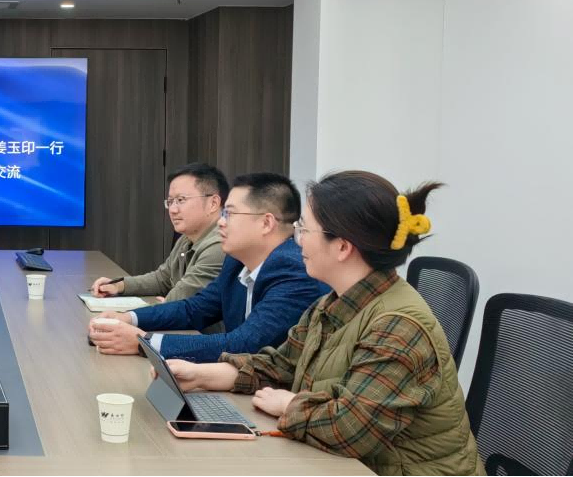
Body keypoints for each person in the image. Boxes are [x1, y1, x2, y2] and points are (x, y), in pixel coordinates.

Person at [153, 171, 482, 476]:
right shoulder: (333, 302)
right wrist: (203, 374)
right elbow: (282, 365)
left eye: (304, 230)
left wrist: (289, 403)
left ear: (342, 247)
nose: (297, 241)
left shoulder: (398, 326)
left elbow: (350, 430)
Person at [90, 172, 327, 361]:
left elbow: (244, 344)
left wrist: (146, 342)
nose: (221, 222)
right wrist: (128, 318)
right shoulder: (236, 262)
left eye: (230, 214)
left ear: (266, 223)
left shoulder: (293, 271)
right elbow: (193, 310)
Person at [89, 163, 226, 305]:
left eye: (181, 200)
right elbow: (162, 279)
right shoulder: (187, 238)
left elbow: (179, 300)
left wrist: (167, 302)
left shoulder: (220, 244)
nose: (172, 210)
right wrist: (118, 286)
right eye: (170, 201)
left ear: (213, 203)